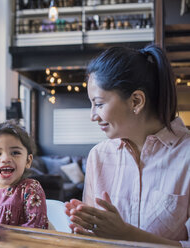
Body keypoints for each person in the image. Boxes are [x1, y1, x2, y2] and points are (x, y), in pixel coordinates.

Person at [64, 44, 190, 247]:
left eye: (99, 103)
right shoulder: (99, 156)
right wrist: (85, 228)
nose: (92, 116)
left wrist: (125, 234)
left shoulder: (186, 157)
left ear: (136, 101)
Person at [0, 120, 48, 229]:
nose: (5, 159)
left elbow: (37, 228)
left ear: (28, 161)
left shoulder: (30, 188)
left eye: (15, 153)